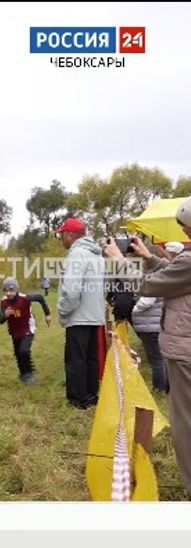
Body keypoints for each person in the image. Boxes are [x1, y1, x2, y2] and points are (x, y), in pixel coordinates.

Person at [104, 201, 191, 497]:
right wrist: (148, 257)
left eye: (185, 226)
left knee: (185, 424)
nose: (182, 230)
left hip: (186, 351)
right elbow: (176, 273)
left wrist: (118, 258)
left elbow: (147, 286)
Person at [55, 217, 106, 409]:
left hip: (78, 315)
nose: (61, 239)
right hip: (95, 314)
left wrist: (63, 311)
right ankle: (91, 395)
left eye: (62, 235)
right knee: (91, 358)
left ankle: (78, 400)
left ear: (70, 235)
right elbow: (104, 286)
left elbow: (72, 290)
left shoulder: (76, 255)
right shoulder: (97, 255)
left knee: (76, 359)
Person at [0, 277, 51, 384]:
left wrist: (47, 314)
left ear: (16, 289)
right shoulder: (3, 302)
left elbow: (40, 297)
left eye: (11, 290)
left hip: (27, 328)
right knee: (18, 353)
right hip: (14, 330)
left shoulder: (25, 298)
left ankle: (29, 373)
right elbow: (0, 320)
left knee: (24, 351)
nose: (9, 293)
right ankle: (23, 373)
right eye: (6, 290)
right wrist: (5, 315)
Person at [132, 294, 167, 393]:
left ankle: (159, 388)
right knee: (161, 358)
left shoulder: (152, 281)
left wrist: (134, 309)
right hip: (156, 324)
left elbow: (147, 301)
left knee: (156, 360)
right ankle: (165, 386)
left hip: (150, 327)